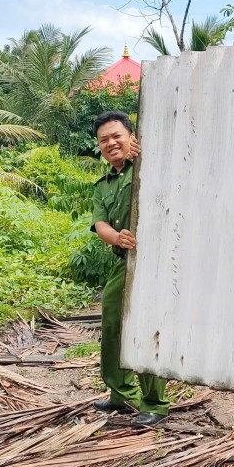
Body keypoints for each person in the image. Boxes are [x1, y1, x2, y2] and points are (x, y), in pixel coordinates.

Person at [90, 111, 169, 427]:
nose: (110, 143)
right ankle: (121, 394)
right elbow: (100, 223)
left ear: (131, 137)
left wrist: (146, 156)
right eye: (103, 140)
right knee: (111, 323)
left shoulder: (148, 166)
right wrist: (118, 238)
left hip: (154, 261)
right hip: (125, 262)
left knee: (148, 327)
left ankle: (155, 403)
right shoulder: (103, 184)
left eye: (116, 136)